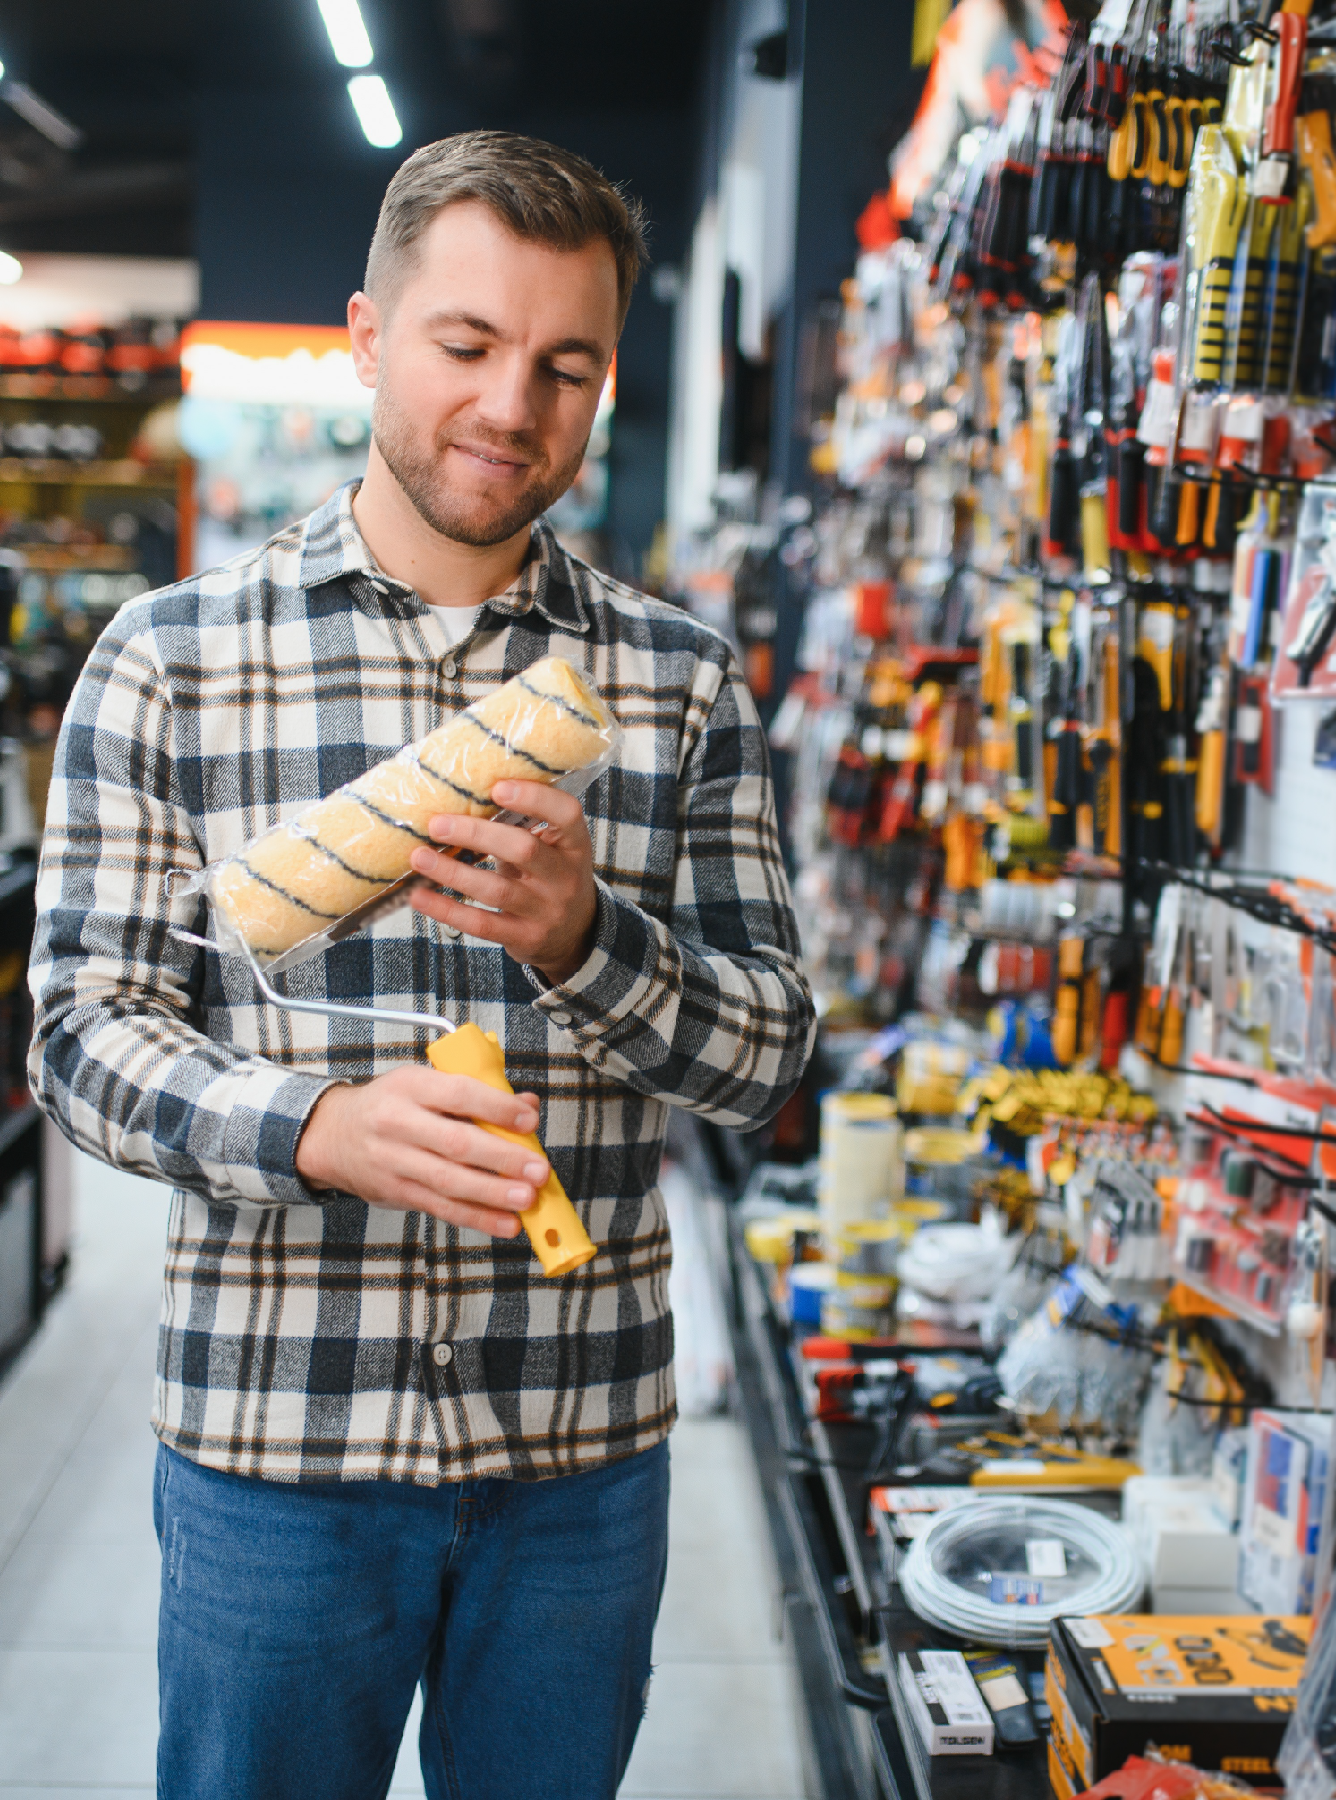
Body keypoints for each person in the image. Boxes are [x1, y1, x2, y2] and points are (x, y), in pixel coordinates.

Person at [28, 130, 815, 1800]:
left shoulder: (677, 686)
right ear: (370, 331)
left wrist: (589, 942)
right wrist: (308, 1129)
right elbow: (82, 1038)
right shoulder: (172, 661)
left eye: (567, 365)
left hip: (578, 1457)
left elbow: (766, 1054)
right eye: (466, 344)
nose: (512, 408)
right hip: (279, 1451)